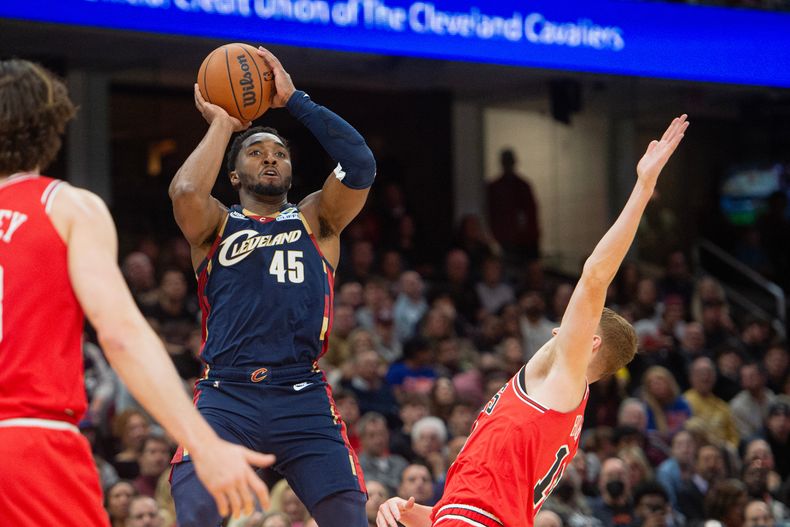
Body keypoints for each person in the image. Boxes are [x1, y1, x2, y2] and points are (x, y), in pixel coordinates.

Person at [377, 114, 689, 527]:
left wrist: (643, 187)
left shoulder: (566, 377)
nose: (561, 327)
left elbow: (595, 274)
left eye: (574, 324)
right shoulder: (553, 403)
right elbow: (477, 507)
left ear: (590, 344)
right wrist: (413, 512)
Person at [0, 59, 273, 526]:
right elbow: (122, 334)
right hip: (27, 444)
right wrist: (203, 444)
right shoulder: (66, 207)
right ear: (51, 127)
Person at [168, 46, 375, 527]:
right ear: (234, 173)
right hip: (227, 395)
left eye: (280, 154)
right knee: (196, 513)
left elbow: (360, 163)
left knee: (348, 516)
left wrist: (294, 100)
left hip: (301, 393)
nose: (271, 159)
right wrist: (223, 123)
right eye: (257, 152)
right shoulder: (215, 224)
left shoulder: (317, 219)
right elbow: (184, 192)